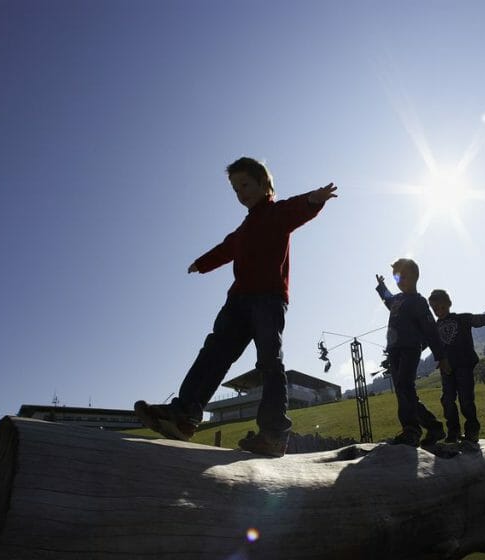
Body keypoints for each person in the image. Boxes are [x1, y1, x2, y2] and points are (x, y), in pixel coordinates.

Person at [135, 157, 337, 457]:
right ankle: (185, 415)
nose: (240, 193)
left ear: (263, 183)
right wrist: (201, 264)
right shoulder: (243, 229)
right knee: (214, 352)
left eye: (245, 184)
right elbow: (225, 248)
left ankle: (273, 434)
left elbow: (296, 208)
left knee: (269, 360)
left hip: (268, 299)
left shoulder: (276, 213)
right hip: (238, 301)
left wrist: (314, 199)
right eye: (235, 189)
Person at [375, 258, 451, 447]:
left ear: (415, 277)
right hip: (394, 350)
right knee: (403, 391)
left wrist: (441, 357)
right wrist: (382, 286)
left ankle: (411, 430)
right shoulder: (398, 300)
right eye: (396, 277)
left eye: (402, 276)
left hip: (410, 348)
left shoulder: (418, 301)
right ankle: (433, 427)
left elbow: (431, 330)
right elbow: (388, 299)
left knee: (405, 386)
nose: (399, 280)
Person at [427, 289, 485, 443]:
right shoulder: (434, 328)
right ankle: (453, 432)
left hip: (464, 366)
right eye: (435, 309)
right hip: (446, 369)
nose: (439, 311)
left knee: (466, 400)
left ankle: (472, 432)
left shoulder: (462, 319)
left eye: (441, 307)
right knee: (447, 400)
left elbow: (483, 320)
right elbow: (426, 343)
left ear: (448, 304)